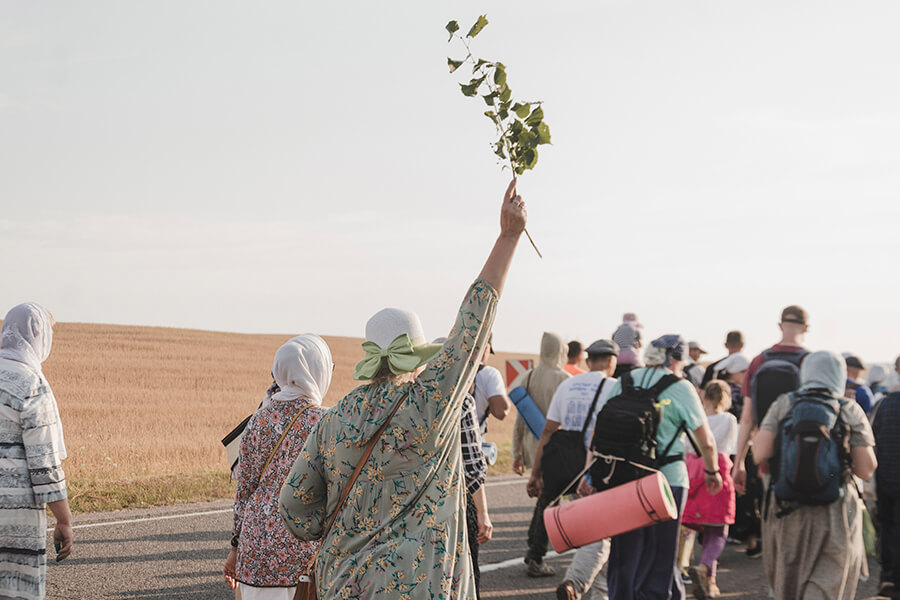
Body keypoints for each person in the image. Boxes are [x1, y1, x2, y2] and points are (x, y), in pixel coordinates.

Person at [278, 179, 528, 600]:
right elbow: (472, 325)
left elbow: (292, 505)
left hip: (345, 585)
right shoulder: (431, 403)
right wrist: (508, 236)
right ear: (416, 355)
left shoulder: (335, 418)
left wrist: (342, 525)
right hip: (423, 586)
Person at [588, 335, 722, 600]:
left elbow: (600, 431)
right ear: (673, 359)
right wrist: (712, 471)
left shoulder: (625, 381)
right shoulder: (680, 387)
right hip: (667, 480)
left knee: (625, 551)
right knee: (660, 555)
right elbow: (705, 441)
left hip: (623, 478)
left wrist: (592, 472)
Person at [752, 350, 877, 600]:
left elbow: (759, 453)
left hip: (787, 506)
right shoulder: (848, 408)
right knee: (830, 579)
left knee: (789, 578)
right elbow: (865, 468)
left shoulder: (785, 403)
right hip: (836, 508)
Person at [223, 336, 332, 600]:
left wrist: (235, 548)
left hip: (255, 547)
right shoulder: (327, 421)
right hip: (303, 552)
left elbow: (244, 494)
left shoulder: (257, 420)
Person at [527, 339, 619, 592]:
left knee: (548, 503)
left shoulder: (567, 384)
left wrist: (536, 472)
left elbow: (547, 431)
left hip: (562, 456)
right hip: (596, 461)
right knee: (596, 521)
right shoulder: (615, 387)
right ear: (612, 361)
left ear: (589, 362)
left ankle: (535, 556)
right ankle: (584, 573)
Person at [0, 303, 73, 600]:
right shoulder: (31, 383)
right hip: (15, 516)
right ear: (38, 335)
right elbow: (44, 464)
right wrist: (64, 520)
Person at [509, 331, 570, 576]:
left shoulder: (528, 376)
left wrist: (517, 453)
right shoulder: (564, 379)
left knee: (546, 499)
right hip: (554, 448)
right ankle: (535, 554)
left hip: (533, 447)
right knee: (549, 501)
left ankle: (533, 548)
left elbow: (519, 420)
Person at [733, 306, 809, 498]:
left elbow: (747, 418)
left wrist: (739, 463)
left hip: (767, 456)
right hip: (806, 455)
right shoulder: (810, 361)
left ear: (780, 325)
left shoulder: (759, 361)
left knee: (773, 518)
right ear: (806, 328)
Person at [683, 380, 738, 599]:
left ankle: (709, 581)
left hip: (693, 471)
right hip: (717, 471)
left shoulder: (694, 418)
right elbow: (729, 446)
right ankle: (705, 566)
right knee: (718, 529)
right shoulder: (729, 419)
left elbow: (686, 446)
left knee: (700, 527)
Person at [874, 385, 900, 599]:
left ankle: (887, 577)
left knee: (888, 526)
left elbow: (873, 439)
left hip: (886, 477)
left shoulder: (885, 403)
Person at [472, 336, 511, 436]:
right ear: (485, 349)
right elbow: (501, 412)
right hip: (473, 440)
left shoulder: (448, 369)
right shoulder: (489, 373)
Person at [611, 314, 643, 378]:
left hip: (618, 354)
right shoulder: (635, 329)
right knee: (639, 370)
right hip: (630, 353)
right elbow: (640, 344)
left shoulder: (618, 330)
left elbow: (613, 340)